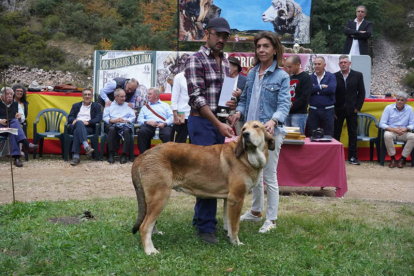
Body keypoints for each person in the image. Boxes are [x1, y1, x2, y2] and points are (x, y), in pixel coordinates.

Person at [229, 31, 290, 233]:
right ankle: (256, 212)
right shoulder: (253, 73)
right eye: (259, 46)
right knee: (253, 172)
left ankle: (271, 219)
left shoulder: (282, 76)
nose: (262, 50)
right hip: (250, 132)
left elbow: (284, 105)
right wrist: (238, 112)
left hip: (270, 133)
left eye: (266, 46)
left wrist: (273, 120)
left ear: (274, 50)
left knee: (269, 175)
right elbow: (245, 99)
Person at [185, 17, 236, 244]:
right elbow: (196, 98)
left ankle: (199, 219)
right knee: (209, 174)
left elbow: (222, 98)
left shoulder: (225, 62)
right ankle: (206, 228)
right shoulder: (195, 59)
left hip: (218, 122)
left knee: (212, 172)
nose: (222, 39)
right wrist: (217, 123)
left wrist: (231, 107)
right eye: (218, 35)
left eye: (225, 36)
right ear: (207, 33)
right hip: (202, 122)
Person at [334, 55, 366, 165]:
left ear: (349, 63)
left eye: (345, 62)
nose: (343, 64)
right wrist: (333, 109)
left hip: (352, 110)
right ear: (338, 64)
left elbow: (361, 92)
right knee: (336, 133)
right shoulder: (334, 76)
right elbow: (332, 94)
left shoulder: (357, 75)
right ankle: (336, 157)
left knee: (352, 134)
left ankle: (353, 157)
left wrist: (358, 107)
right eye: (341, 62)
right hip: (338, 110)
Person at [0, 87, 38, 167]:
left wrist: (20, 117)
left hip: (10, 129)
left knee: (14, 127)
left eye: (11, 94)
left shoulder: (16, 105)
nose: (10, 96)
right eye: (7, 94)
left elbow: (23, 118)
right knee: (14, 127)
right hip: (1, 129)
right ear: (2, 96)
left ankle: (16, 158)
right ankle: (26, 143)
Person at [67, 89, 103, 166]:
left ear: (92, 96)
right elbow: (70, 117)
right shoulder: (76, 105)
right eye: (85, 94)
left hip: (88, 127)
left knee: (77, 132)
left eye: (89, 94)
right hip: (75, 125)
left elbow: (98, 118)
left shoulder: (97, 106)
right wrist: (73, 120)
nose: (87, 96)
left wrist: (88, 122)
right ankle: (86, 145)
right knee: (79, 122)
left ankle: (76, 157)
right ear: (82, 96)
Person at [379, 92, 414, 168]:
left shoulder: (409, 109)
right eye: (398, 99)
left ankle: (402, 159)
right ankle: (393, 159)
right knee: (387, 135)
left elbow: (412, 124)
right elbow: (382, 124)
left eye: (402, 100)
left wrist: (406, 129)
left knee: (413, 137)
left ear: (405, 101)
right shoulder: (388, 108)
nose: (399, 101)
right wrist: (394, 130)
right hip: (392, 131)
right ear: (395, 100)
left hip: (404, 132)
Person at [103, 88, 136, 164]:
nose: (124, 98)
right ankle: (110, 154)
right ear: (116, 97)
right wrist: (112, 120)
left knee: (127, 130)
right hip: (112, 124)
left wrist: (126, 120)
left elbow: (133, 117)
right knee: (111, 129)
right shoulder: (109, 105)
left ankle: (124, 154)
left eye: (124, 96)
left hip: (124, 124)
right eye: (122, 96)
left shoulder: (128, 105)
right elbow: (105, 117)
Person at [137, 87, 173, 153]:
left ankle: (168, 155)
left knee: (168, 134)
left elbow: (171, 117)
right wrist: (147, 122)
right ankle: (144, 155)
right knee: (142, 132)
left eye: (150, 94)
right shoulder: (145, 107)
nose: (147, 95)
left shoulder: (165, 105)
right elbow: (139, 119)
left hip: (163, 125)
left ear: (156, 95)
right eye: (147, 94)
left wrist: (164, 123)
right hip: (149, 125)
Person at [283, 55, 312, 134]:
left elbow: (305, 97)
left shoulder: (306, 77)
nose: (288, 69)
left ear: (298, 64)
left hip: (299, 114)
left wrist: (291, 105)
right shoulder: (288, 77)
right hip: (286, 112)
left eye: (290, 67)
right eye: (286, 67)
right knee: (285, 138)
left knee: (297, 138)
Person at [308, 56, 337, 136]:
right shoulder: (309, 77)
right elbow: (308, 90)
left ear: (324, 65)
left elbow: (331, 89)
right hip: (313, 111)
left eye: (319, 64)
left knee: (329, 135)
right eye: (315, 64)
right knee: (312, 135)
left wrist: (316, 90)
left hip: (328, 111)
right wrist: (320, 87)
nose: (316, 66)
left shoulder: (331, 76)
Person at [228, 56, 247, 135]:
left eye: (228, 66)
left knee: (241, 136)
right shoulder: (225, 79)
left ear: (236, 67)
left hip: (239, 114)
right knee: (227, 136)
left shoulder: (245, 80)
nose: (225, 68)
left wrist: (240, 94)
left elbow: (248, 97)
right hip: (227, 114)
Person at [171, 72, 190, 143]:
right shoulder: (179, 77)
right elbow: (174, 97)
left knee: (195, 143)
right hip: (181, 113)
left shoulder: (199, 75)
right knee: (180, 142)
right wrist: (175, 114)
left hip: (196, 113)